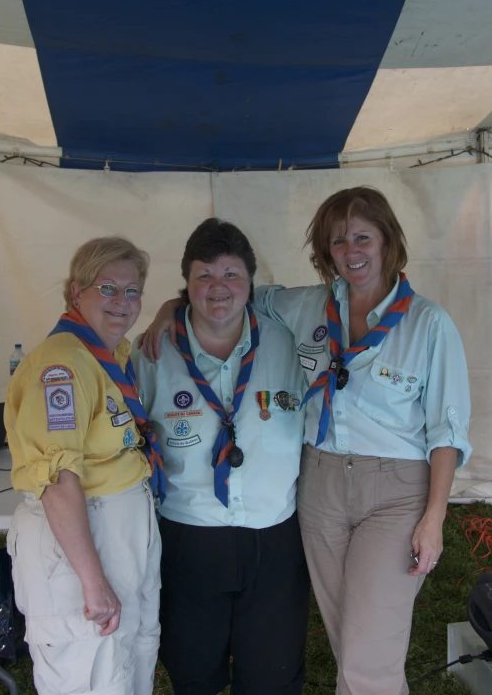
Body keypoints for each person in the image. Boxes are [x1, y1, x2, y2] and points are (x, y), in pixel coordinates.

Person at [143, 188, 472, 695]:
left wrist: (435, 517)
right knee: (349, 637)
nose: (351, 250)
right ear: (326, 251)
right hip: (319, 486)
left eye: (362, 236)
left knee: (369, 653)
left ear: (387, 240)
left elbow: (447, 431)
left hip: (393, 489)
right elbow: (234, 291)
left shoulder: (427, 322)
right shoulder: (305, 307)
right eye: (338, 240)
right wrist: (174, 302)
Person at [132, 218, 309, 695]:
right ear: (185, 284)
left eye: (231, 274)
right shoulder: (152, 352)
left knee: (271, 674)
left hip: (273, 536)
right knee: (193, 671)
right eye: (203, 275)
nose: (218, 288)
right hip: (188, 535)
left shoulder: (288, 342)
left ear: (251, 282)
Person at [5, 236, 165, 695]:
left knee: (128, 663)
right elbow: (57, 480)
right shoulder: (63, 364)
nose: (122, 302)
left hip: (116, 530)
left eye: (132, 291)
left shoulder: (108, 355)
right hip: (80, 539)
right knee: (89, 673)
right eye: (107, 288)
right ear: (76, 292)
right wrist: (92, 582)